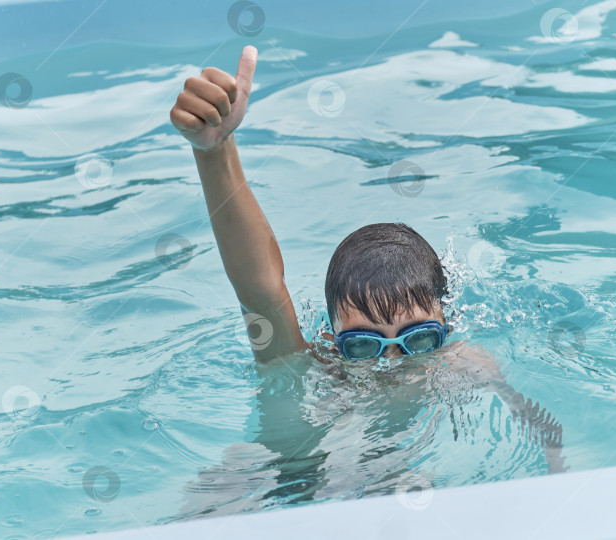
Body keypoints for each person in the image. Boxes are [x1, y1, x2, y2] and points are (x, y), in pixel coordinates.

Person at [169, 45, 567, 479]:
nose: (391, 364)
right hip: (295, 477)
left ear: (446, 327)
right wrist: (214, 153)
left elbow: (543, 432)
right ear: (330, 338)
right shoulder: (316, 371)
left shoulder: (468, 364)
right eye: (362, 346)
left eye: (417, 340)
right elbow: (260, 289)